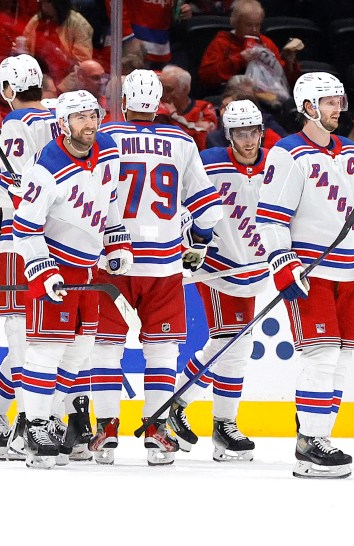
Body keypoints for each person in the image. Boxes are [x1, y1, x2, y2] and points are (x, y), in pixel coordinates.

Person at [255, 72, 354, 478]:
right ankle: (311, 443)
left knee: (342, 358)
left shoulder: (350, 153)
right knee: (322, 355)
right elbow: (270, 218)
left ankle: (317, 434)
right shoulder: (288, 153)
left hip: (348, 269)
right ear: (308, 106)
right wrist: (282, 262)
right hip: (310, 271)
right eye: (329, 102)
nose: (337, 109)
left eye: (339, 101)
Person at [0, 89, 129, 468]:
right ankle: (35, 425)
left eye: (93, 115)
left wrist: (116, 241)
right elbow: (24, 227)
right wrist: (43, 269)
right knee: (42, 349)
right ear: (63, 123)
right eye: (80, 117)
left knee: (80, 350)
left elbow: (110, 200)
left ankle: (51, 418)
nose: (89, 123)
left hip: (88, 269)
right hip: (55, 265)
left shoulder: (109, 151)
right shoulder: (47, 167)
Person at [92, 69, 223, 466]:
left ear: (126, 101)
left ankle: (105, 430)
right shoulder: (182, 141)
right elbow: (208, 208)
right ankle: (156, 429)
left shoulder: (105, 137)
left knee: (106, 346)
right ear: (159, 104)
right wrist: (199, 240)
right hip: (163, 262)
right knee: (163, 348)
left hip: (113, 259)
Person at [0, 54, 64, 461]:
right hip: (59, 242)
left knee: (26, 337)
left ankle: (7, 417)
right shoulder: (62, 115)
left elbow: (15, 190)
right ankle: (18, 420)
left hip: (19, 240)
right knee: (37, 340)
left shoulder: (15, 123)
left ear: (8, 90)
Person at [168, 100, 269, 462]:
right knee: (231, 342)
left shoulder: (275, 165)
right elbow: (177, 201)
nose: (248, 140)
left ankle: (180, 402)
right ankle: (223, 425)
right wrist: (187, 237)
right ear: (229, 134)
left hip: (254, 266)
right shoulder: (208, 162)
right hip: (216, 265)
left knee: (234, 347)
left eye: (253, 131)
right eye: (240, 133)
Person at [199, 0, 302, 95]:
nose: (254, 30)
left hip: (265, 96)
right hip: (230, 95)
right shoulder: (222, 42)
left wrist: (290, 65)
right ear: (236, 23)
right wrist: (239, 59)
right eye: (249, 25)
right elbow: (206, 77)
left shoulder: (266, 43)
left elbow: (284, 81)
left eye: (257, 25)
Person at [21, 0, 94, 81]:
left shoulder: (79, 25)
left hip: (64, 84)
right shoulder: (36, 21)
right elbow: (26, 49)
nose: (44, 7)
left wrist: (59, 90)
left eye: (47, 2)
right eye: (40, 2)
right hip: (37, 81)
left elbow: (82, 68)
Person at [157, 64, 217, 150]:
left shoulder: (204, 108)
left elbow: (200, 141)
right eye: (161, 88)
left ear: (185, 89)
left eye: (169, 90)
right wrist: (192, 128)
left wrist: (174, 116)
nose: (163, 94)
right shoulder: (156, 107)